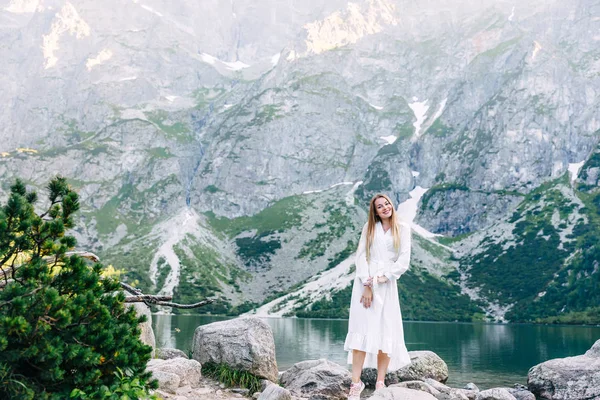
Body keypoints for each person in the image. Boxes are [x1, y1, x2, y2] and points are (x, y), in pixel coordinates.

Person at [344, 193, 412, 399]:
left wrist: (384, 278)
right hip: (365, 283)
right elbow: (361, 256)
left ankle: (380, 382)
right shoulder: (369, 228)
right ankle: (356, 384)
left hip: (388, 285)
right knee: (361, 330)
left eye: (387, 204)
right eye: (379, 206)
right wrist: (367, 283)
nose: (384, 208)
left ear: (392, 205)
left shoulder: (404, 229)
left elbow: (404, 260)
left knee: (386, 331)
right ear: (374, 211)